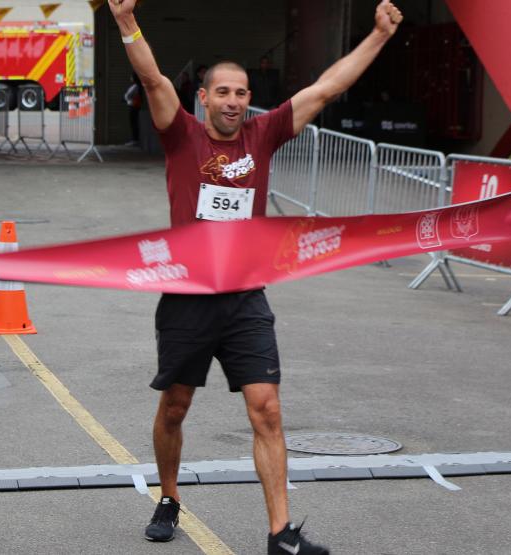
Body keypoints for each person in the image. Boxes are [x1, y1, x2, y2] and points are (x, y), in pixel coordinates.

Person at [106, 0, 403, 552]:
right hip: (189, 297)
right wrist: (126, 21)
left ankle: (280, 534)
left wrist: (379, 36)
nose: (234, 101)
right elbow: (152, 78)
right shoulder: (181, 134)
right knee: (175, 407)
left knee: (266, 408)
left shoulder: (263, 135)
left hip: (245, 297)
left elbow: (326, 88)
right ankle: (168, 496)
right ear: (203, 97)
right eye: (223, 91)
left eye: (241, 93)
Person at [124, 73, 142, 144]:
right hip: (134, 106)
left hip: (133, 106)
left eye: (132, 77)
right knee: (134, 123)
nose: (130, 78)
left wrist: (125, 97)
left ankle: (135, 140)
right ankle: (135, 139)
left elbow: (128, 95)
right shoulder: (137, 86)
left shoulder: (135, 86)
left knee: (134, 123)